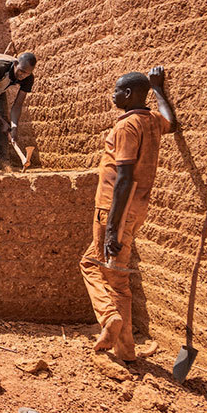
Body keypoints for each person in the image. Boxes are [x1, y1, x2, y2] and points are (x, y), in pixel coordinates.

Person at [80, 67, 176, 363]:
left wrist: (111, 228)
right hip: (135, 209)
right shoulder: (151, 122)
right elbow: (171, 121)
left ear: (129, 94)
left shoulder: (127, 127)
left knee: (94, 267)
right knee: (116, 275)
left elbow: (123, 177)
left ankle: (110, 317)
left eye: (117, 91)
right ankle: (126, 351)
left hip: (114, 209)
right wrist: (158, 90)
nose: (113, 95)